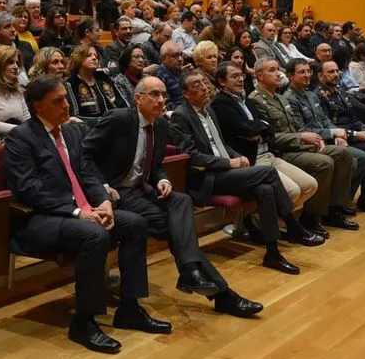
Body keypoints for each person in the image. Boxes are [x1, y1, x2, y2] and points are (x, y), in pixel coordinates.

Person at [5, 75, 167, 354]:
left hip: (81, 211)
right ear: (37, 106)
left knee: (135, 223)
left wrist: (103, 201)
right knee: (94, 235)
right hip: (41, 219)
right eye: (57, 101)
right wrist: (78, 211)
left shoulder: (72, 132)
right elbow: (29, 190)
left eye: (66, 98)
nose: (66, 105)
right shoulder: (21, 138)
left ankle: (129, 308)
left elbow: (88, 173)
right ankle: (83, 321)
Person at [83, 76, 263, 317]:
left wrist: (163, 180)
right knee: (178, 231)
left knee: (182, 200)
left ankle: (195, 275)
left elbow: (156, 165)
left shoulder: (160, 125)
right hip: (117, 192)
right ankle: (218, 291)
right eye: (154, 94)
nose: (161, 100)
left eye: (164, 95)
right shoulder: (119, 119)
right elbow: (85, 154)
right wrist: (103, 186)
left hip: (141, 190)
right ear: (138, 98)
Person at [171, 71, 319, 276]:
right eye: (197, 85)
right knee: (268, 172)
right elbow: (191, 156)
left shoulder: (209, 110)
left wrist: (237, 156)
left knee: (266, 190)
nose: (204, 87)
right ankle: (292, 225)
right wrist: (228, 163)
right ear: (186, 94)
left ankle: (272, 252)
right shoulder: (181, 115)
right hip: (208, 177)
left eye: (204, 82)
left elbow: (221, 144)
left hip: (227, 171)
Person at [248, 59, 359, 231]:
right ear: (259, 75)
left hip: (297, 147)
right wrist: (302, 138)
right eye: (272, 70)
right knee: (324, 163)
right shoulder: (256, 100)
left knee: (343, 154)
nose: (278, 74)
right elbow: (269, 138)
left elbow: (297, 127)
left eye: (278, 69)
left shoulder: (279, 98)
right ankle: (311, 216)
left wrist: (318, 140)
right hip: (281, 151)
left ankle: (334, 209)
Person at [211, 61, 321, 214]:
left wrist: (259, 129)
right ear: (222, 81)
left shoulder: (247, 101)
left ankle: (274, 219)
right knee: (293, 191)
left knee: (310, 185)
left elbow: (270, 128)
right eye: (235, 76)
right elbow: (248, 130)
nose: (240, 79)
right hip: (252, 159)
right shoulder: (220, 103)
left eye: (242, 75)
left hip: (268, 154)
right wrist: (260, 127)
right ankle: (266, 221)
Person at [305, 60, 365, 213]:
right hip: (339, 137)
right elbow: (326, 125)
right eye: (330, 72)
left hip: (352, 131)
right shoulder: (319, 96)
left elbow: (353, 119)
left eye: (337, 71)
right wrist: (354, 135)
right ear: (321, 76)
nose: (335, 74)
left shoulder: (339, 92)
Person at [66, 43, 127, 124]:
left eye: (96, 56)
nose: (94, 58)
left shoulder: (103, 77)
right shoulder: (71, 82)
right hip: (88, 127)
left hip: (115, 123)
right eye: (89, 55)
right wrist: (104, 121)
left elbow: (122, 103)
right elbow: (75, 116)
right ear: (78, 58)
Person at [155, 40, 185, 110]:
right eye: (175, 56)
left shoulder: (182, 71)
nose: (180, 59)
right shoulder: (159, 77)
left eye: (181, 55)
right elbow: (166, 104)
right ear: (164, 58)